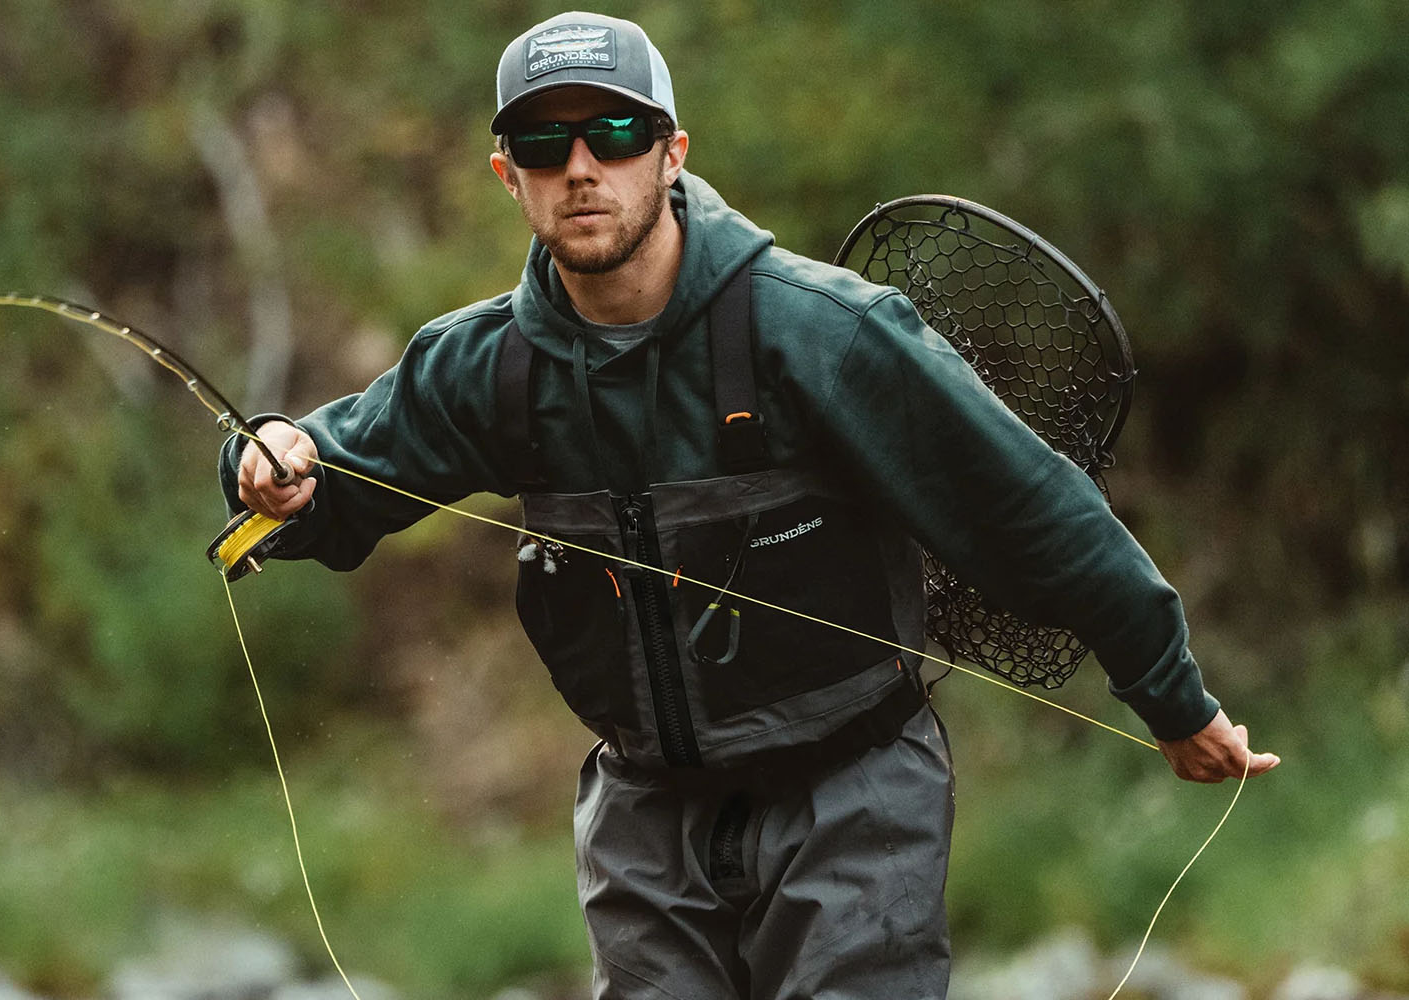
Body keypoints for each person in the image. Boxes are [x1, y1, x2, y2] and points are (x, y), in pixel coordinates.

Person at [221, 11, 1280, 999]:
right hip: (646, 819)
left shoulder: (820, 332)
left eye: (614, 133)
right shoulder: (485, 368)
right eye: (544, 145)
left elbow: (1033, 514)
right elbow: (321, 475)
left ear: (671, 153)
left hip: (854, 795)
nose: (580, 167)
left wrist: (1174, 701)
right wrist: (263, 465)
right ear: (510, 176)